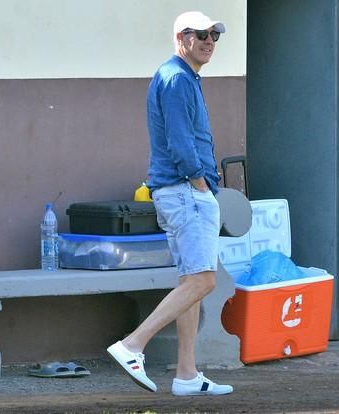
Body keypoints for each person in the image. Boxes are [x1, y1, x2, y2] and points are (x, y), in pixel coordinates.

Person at [107, 11, 232, 396]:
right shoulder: (177, 78)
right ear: (181, 38)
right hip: (185, 191)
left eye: (214, 34)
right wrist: (200, 185)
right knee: (203, 280)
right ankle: (132, 345)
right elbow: (181, 143)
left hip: (179, 191)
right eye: (200, 34)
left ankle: (187, 375)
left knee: (190, 280)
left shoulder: (180, 75)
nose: (209, 40)